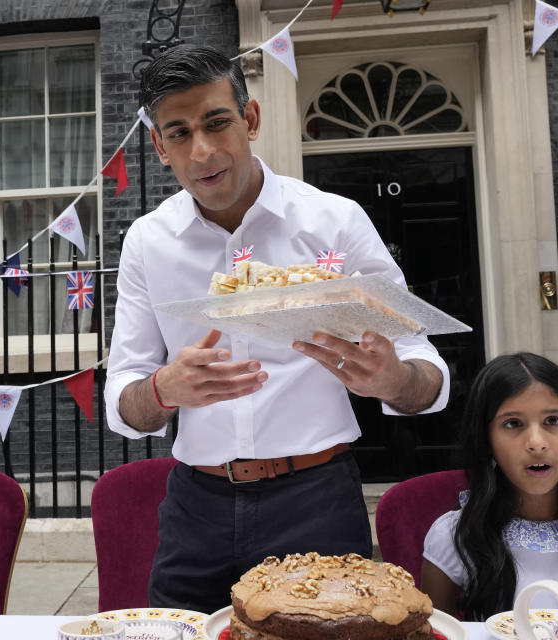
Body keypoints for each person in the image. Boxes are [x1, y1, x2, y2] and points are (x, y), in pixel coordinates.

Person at [105, 45, 450, 613]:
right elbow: (125, 398)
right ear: (159, 147)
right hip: (196, 503)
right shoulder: (146, 241)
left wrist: (392, 380)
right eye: (180, 133)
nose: (204, 150)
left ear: (252, 119)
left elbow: (424, 367)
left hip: (317, 498)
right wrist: (165, 389)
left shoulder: (334, 221)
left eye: (217, 122)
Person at [421, 353, 558, 621]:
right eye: (513, 424)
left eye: (552, 421)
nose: (536, 443)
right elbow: (436, 633)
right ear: (485, 439)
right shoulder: (455, 535)